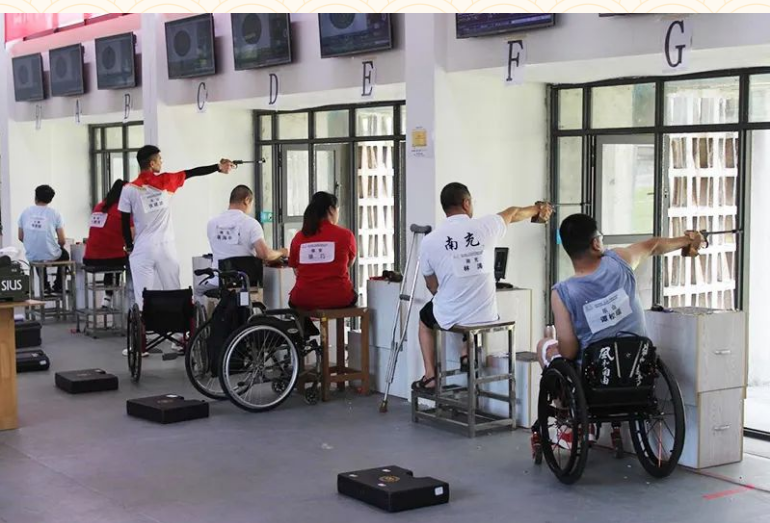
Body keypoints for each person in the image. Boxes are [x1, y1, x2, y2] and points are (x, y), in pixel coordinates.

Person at [412, 182, 553, 391]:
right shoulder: (486, 226)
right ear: (466, 203)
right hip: (485, 313)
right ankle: (466, 353)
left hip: (451, 313)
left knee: (425, 320)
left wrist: (448, 293)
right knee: (471, 307)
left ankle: (431, 377)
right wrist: (538, 209)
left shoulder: (430, 241)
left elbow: (431, 285)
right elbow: (513, 213)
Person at [537, 213, 704, 368]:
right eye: (600, 238)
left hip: (596, 374)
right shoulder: (619, 261)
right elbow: (653, 245)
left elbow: (569, 351)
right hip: (639, 365)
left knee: (543, 345)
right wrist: (687, 240)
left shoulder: (562, 293)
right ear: (595, 244)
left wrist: (556, 346)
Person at [118, 145, 235, 309]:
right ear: (152, 164)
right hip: (166, 246)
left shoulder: (128, 189)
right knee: (173, 291)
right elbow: (192, 172)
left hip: (142, 247)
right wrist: (218, 167)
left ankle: (145, 323)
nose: (161, 161)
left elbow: (124, 221)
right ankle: (178, 322)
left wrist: (130, 246)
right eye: (159, 159)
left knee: (142, 296)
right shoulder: (166, 181)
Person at [202, 184, 287, 292]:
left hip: (217, 282)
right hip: (245, 284)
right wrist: (281, 252)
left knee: (199, 290)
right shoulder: (251, 223)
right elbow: (264, 254)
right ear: (246, 200)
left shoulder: (212, 223)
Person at [288, 192, 357, 311]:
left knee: (295, 303)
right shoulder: (346, 235)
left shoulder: (299, 237)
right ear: (331, 210)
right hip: (340, 297)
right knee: (352, 295)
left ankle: (307, 324)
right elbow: (350, 263)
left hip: (304, 298)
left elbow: (295, 269)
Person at [83, 180, 132, 309]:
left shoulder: (99, 206)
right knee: (130, 259)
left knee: (111, 256)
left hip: (89, 257)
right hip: (111, 258)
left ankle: (107, 297)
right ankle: (132, 298)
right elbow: (132, 234)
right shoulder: (123, 210)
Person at [18, 185, 69, 294]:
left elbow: (20, 237)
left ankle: (45, 285)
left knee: (38, 254)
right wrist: (56, 246)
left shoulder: (25, 212)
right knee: (64, 255)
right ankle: (58, 286)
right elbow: (62, 240)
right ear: (50, 199)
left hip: (32, 256)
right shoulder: (55, 213)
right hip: (51, 255)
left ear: (35, 197)